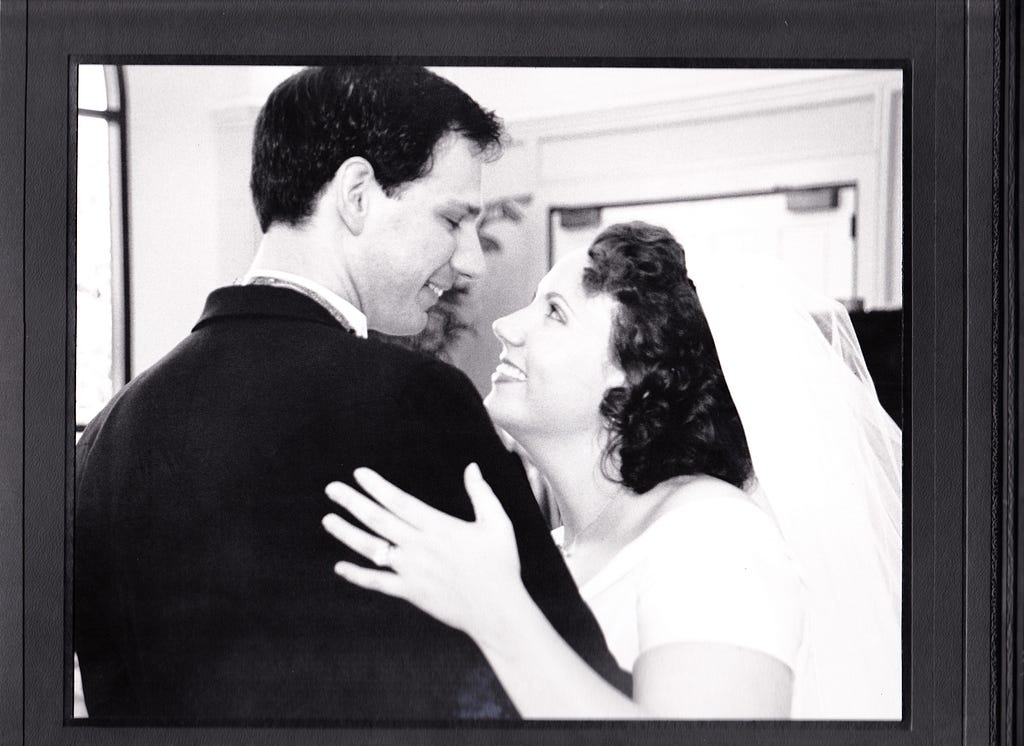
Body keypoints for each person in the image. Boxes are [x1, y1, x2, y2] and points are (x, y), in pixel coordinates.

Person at [74, 65, 628, 721]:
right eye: (452, 218)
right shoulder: (414, 401)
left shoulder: (105, 437)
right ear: (358, 194)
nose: (471, 260)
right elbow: (576, 691)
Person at [322, 221, 903, 719]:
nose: (506, 325)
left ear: (637, 369)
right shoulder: (540, 551)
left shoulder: (716, 541)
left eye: (554, 312)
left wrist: (494, 611)